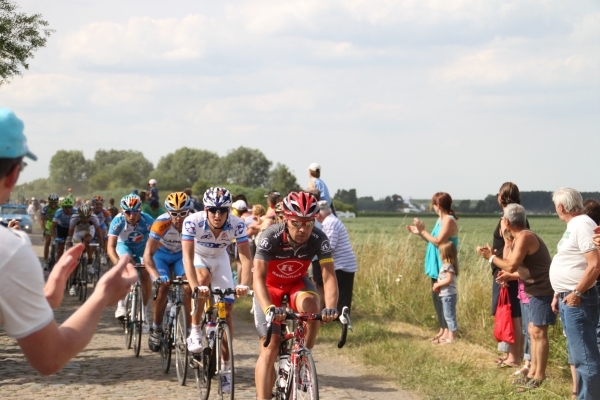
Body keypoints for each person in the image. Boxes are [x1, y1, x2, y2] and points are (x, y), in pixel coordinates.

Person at [0, 107, 138, 375]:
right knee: (54, 240)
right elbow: (50, 358)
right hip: (63, 235)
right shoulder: (9, 249)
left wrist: (46, 299)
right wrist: (101, 296)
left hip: (78, 237)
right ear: (15, 173)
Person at [253, 191, 339, 400]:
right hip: (269, 288)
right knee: (270, 346)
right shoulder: (270, 236)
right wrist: (268, 309)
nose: (303, 229)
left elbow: (329, 278)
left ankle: (304, 357)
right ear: (284, 219)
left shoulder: (319, 238)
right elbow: (258, 278)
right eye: (296, 223)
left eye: (308, 224)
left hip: (295, 284)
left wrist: (331, 307)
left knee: (312, 306)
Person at [477, 204, 555, 391]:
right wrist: (507, 239)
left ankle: (538, 377)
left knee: (538, 333)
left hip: (541, 290)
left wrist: (490, 257)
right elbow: (511, 264)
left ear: (507, 221)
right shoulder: (520, 237)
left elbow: (510, 265)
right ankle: (532, 373)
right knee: (532, 331)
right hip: (533, 289)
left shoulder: (526, 237)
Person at [181, 187, 251, 394]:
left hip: (220, 258)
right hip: (198, 256)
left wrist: (244, 284)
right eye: (213, 210)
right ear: (205, 209)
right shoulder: (192, 221)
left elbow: (245, 258)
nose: (218, 215)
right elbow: (186, 257)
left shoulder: (237, 224)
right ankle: (194, 331)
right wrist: (195, 288)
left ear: (229, 210)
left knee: (226, 311)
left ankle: (226, 370)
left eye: (223, 211)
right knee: (202, 280)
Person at [549, 188, 600, 400]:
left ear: (561, 207)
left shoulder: (582, 225)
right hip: (570, 297)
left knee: (586, 360)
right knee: (580, 358)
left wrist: (576, 292)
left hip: (578, 299)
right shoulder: (576, 225)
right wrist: (558, 293)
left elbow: (595, 265)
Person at [477, 182, 525, 367]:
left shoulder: (507, 219)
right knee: (510, 313)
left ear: (502, 196)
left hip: (506, 272)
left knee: (512, 314)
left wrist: (505, 272)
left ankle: (514, 357)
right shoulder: (518, 214)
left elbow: (509, 246)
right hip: (505, 268)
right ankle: (511, 355)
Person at [406, 192, 458, 344]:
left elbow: (438, 241)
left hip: (444, 263)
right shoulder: (440, 220)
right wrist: (419, 233)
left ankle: (448, 331)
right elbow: (432, 240)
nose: (433, 207)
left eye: (433, 205)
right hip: (435, 262)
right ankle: (442, 329)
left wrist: (423, 231)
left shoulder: (449, 221)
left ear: (438, 205)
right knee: (437, 297)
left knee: (444, 297)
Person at [143, 192, 193, 352]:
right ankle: (157, 328)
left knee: (188, 287)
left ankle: (190, 332)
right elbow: (147, 255)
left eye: (183, 214)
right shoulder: (161, 223)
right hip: (161, 256)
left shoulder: (194, 222)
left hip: (181, 257)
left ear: (189, 211)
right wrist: (156, 276)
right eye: (174, 214)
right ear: (168, 213)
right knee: (163, 286)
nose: (179, 218)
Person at [108, 194, 155, 332]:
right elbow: (110, 247)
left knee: (146, 276)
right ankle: (121, 305)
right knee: (125, 264)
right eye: (128, 212)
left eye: (135, 212)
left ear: (140, 210)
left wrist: (151, 259)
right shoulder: (117, 221)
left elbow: (157, 242)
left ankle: (144, 313)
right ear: (123, 211)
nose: (131, 216)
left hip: (142, 248)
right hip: (124, 247)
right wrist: (118, 263)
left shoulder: (147, 221)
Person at [315, 199, 358, 316]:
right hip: (343, 262)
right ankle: (340, 317)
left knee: (340, 294)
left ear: (318, 214)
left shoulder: (329, 223)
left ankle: (339, 318)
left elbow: (329, 246)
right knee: (342, 293)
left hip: (341, 264)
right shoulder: (332, 221)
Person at [66, 204, 104, 294]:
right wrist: (69, 241)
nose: (85, 219)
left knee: (88, 242)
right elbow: (71, 231)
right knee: (77, 259)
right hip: (77, 231)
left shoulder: (94, 217)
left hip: (88, 230)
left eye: (87, 217)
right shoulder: (74, 217)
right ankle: (73, 285)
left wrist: (101, 244)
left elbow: (98, 232)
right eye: (82, 217)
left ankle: (89, 263)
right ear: (79, 215)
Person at [433, 241, 459, 344]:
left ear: (445, 254)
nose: (440, 255)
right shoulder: (446, 266)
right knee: (447, 315)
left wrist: (438, 284)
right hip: (445, 294)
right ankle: (448, 335)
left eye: (441, 252)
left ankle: (451, 337)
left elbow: (449, 280)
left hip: (448, 295)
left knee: (449, 316)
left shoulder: (448, 266)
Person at [51, 197, 76, 262]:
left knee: (71, 246)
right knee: (60, 248)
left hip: (71, 228)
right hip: (61, 228)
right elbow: (53, 227)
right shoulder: (59, 212)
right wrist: (56, 238)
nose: (68, 209)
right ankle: (58, 263)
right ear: (62, 207)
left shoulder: (76, 212)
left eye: (70, 207)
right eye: (66, 207)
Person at [40, 193, 60, 270]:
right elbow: (42, 220)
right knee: (48, 241)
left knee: (59, 242)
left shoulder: (60, 208)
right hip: (49, 224)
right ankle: (45, 262)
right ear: (49, 202)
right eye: (51, 202)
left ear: (57, 202)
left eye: (55, 202)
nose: (53, 204)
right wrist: (44, 230)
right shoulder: (45, 208)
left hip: (57, 225)